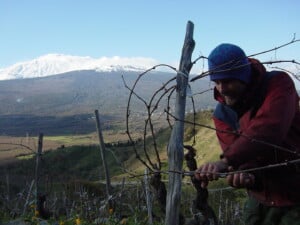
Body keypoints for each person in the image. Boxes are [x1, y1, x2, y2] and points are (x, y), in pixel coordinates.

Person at [194, 43, 300, 225]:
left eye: (227, 81)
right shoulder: (222, 114)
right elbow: (240, 158)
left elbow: (269, 128)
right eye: (217, 82)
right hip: (261, 199)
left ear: (244, 76)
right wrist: (245, 175)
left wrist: (225, 162)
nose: (221, 88)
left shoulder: (278, 84)